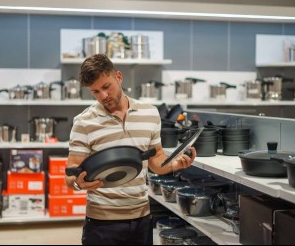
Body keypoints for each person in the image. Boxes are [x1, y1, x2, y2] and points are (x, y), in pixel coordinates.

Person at [65, 54, 197, 245]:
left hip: (141, 218)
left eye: (106, 87)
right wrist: (77, 183)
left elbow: (156, 161)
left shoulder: (150, 113)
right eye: (95, 92)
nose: (103, 96)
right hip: (101, 222)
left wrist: (174, 164)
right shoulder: (84, 122)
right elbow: (70, 175)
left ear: (118, 77)